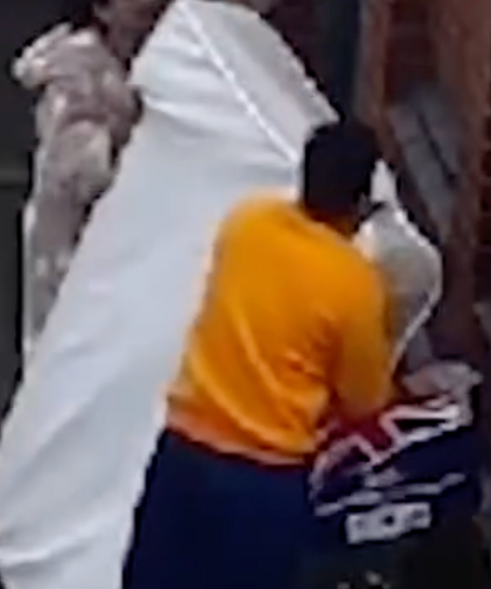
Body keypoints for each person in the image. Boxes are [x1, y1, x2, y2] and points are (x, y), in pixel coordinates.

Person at [122, 119, 396, 589]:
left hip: (183, 451)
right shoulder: (355, 285)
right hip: (263, 478)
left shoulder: (245, 223)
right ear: (360, 201)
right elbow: (365, 400)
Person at [17, 0, 163, 358]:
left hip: (118, 234)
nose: (149, 1)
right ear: (102, 9)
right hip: (69, 236)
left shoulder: (146, 58)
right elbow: (69, 168)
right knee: (66, 345)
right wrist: (122, 133)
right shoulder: (72, 76)